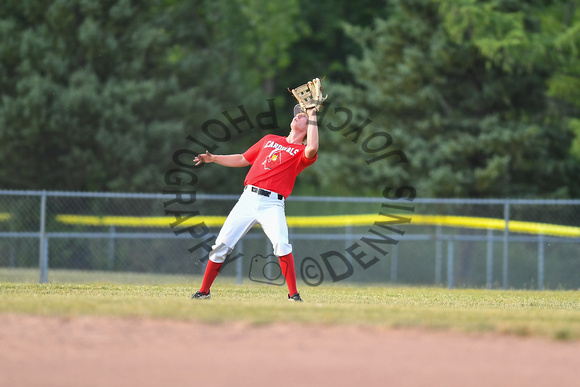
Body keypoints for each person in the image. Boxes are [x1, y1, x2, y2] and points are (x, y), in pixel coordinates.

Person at [191, 105, 319, 302]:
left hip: (272, 204)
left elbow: (312, 148)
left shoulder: (301, 151)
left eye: (302, 116)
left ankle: (293, 295)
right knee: (221, 245)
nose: (298, 116)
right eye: (298, 114)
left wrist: (313, 116)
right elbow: (243, 158)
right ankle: (204, 291)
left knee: (281, 244)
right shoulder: (270, 139)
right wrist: (214, 158)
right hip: (248, 199)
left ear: (308, 126)